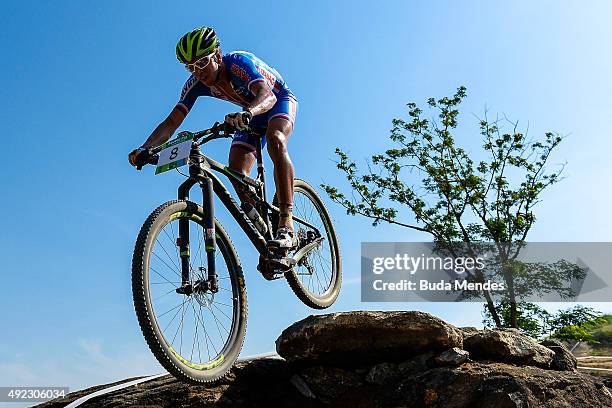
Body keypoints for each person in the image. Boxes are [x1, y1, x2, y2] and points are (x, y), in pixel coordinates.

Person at [128, 27, 298, 249]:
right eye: (190, 67)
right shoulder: (195, 85)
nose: (197, 71)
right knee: (235, 172)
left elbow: (267, 95)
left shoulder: (238, 63)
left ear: (217, 55)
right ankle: (264, 228)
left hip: (275, 101)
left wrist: (246, 113)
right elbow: (171, 123)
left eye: (201, 63)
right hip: (248, 113)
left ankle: (286, 222)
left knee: (275, 139)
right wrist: (146, 148)